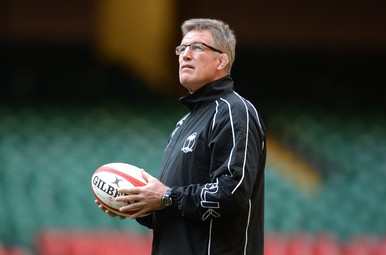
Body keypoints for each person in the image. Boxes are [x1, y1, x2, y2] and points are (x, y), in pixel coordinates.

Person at [96, 18, 267, 255]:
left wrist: (166, 197)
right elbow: (178, 210)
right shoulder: (183, 125)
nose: (185, 55)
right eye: (181, 48)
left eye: (197, 47)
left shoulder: (233, 110)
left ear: (222, 60)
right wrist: (140, 206)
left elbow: (232, 193)